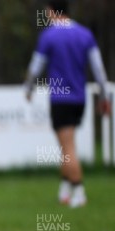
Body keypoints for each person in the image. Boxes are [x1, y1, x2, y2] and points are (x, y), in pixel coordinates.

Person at [24, 0, 110, 208]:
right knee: (67, 145)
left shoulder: (49, 36)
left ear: (53, 11)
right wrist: (104, 96)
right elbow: (98, 69)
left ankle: (79, 192)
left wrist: (28, 88)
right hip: (79, 99)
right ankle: (64, 190)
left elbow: (36, 67)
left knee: (68, 146)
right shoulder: (85, 34)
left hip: (60, 99)